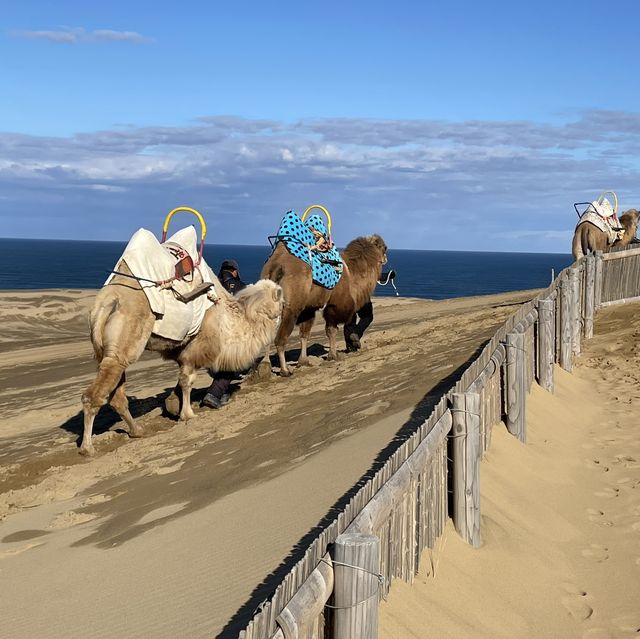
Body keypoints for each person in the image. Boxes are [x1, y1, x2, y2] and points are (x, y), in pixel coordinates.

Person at [201, 259, 247, 409]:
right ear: (234, 271)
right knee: (233, 363)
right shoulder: (241, 287)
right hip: (229, 332)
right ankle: (214, 394)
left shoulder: (213, 286)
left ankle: (223, 392)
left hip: (207, 332)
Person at [344, 269, 396, 353]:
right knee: (367, 317)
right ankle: (357, 333)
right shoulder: (365, 267)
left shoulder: (346, 266)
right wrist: (391, 275)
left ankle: (350, 347)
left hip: (347, 298)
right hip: (362, 298)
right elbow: (377, 276)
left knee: (349, 322)